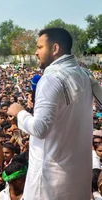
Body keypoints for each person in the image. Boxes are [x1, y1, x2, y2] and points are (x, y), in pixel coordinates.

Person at [7, 27, 94, 199]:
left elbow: (40, 129)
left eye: (40, 47)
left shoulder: (51, 78)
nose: (36, 52)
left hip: (50, 182)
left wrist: (20, 113)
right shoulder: (84, 75)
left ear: (55, 49)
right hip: (78, 177)